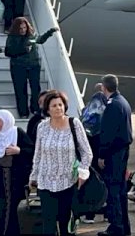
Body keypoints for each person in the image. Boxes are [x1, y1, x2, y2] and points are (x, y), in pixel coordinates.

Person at [30, 90, 93, 235]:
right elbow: (38, 154)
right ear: (47, 109)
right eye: (54, 106)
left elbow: (86, 152)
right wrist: (33, 176)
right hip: (46, 182)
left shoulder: (74, 123)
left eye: (60, 105)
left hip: (68, 181)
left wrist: (83, 173)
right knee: (48, 224)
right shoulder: (42, 127)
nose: (58, 108)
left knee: (67, 224)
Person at [0, 110, 34, 236]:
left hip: (16, 179)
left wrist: (19, 150)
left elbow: (31, 151)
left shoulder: (17, 133)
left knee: (14, 210)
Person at [97, 74, 133, 236]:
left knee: (113, 191)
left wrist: (102, 154)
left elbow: (107, 133)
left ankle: (116, 227)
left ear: (104, 87)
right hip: (123, 151)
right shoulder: (123, 102)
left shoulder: (112, 105)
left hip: (114, 153)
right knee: (120, 190)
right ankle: (124, 226)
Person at [4, 17, 57, 118]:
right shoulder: (12, 38)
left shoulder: (31, 35)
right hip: (18, 66)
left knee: (36, 88)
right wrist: (23, 49)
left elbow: (40, 40)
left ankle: (35, 108)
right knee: (20, 90)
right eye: (20, 29)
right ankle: (23, 112)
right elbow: (8, 52)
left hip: (33, 65)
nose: (23, 30)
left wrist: (50, 32)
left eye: (24, 28)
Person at [80, 83, 107, 224]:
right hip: (102, 150)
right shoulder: (107, 110)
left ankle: (90, 214)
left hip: (89, 151)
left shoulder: (86, 110)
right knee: (106, 181)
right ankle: (107, 213)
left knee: (91, 183)